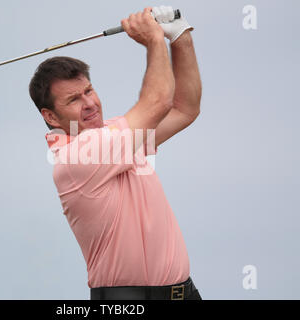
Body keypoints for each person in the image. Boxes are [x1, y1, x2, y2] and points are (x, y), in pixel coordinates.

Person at [29, 5, 202, 300]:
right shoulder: (76, 158)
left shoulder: (115, 137)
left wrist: (180, 35)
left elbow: (185, 109)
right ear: (52, 117)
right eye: (73, 99)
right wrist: (153, 40)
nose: (90, 103)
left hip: (184, 294)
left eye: (89, 90)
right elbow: (158, 103)